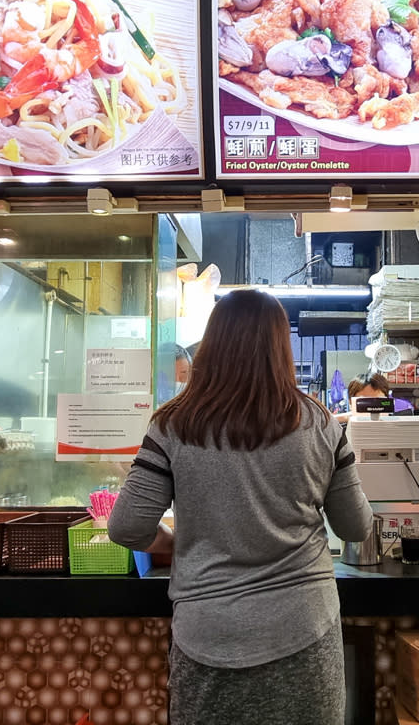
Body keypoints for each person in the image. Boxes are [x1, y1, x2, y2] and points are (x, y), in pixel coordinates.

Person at [107, 289, 373, 725]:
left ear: (212, 346)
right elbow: (355, 527)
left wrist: (173, 543)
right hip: (303, 630)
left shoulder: (172, 423)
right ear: (280, 348)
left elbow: (126, 528)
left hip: (207, 636)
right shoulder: (321, 423)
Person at [339, 372, 413, 422]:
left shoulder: (401, 425)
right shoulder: (338, 433)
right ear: (350, 403)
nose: (372, 408)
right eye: (365, 403)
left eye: (378, 401)